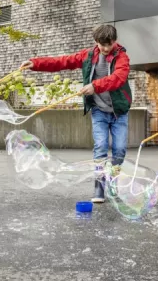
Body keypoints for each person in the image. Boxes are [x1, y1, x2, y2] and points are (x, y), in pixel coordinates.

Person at [21, 24, 132, 203]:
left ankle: (113, 183)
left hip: (119, 112)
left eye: (108, 45)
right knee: (101, 146)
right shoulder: (88, 55)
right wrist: (35, 63)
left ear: (114, 41)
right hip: (98, 111)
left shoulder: (121, 57)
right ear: (95, 42)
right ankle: (99, 186)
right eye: (101, 44)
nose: (105, 48)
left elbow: (119, 78)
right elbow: (62, 61)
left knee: (119, 149)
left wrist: (95, 86)